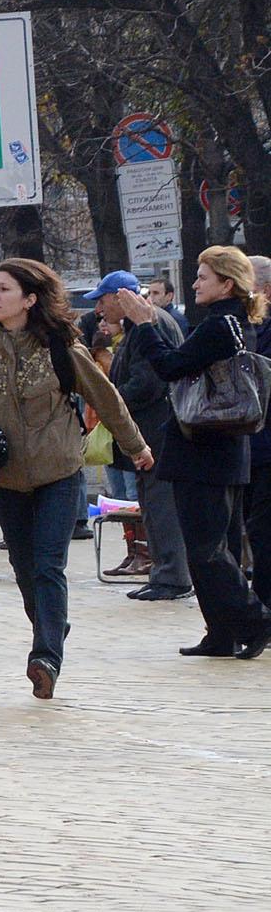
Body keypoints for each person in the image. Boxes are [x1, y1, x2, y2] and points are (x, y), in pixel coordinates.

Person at [0, 256, 149, 698]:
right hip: (5, 476)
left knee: (47, 566)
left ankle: (46, 658)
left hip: (59, 472)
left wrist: (136, 448)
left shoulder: (62, 348)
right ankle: (53, 625)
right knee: (23, 568)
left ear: (30, 299)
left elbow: (108, 400)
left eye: (4, 289)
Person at [107, 248, 271, 659]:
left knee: (205, 548)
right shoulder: (233, 322)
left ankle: (255, 621)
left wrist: (144, 325)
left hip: (205, 451)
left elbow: (170, 367)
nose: (195, 284)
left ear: (227, 284)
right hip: (225, 451)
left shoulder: (221, 324)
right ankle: (222, 634)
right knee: (221, 546)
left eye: (202, 277)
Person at [94, 271, 192, 600]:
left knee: (162, 504)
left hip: (159, 432)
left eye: (103, 300)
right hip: (152, 431)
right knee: (151, 503)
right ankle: (163, 571)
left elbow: (148, 383)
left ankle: (172, 576)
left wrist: (110, 401)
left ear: (121, 296)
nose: (99, 309)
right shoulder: (139, 327)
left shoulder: (150, 324)